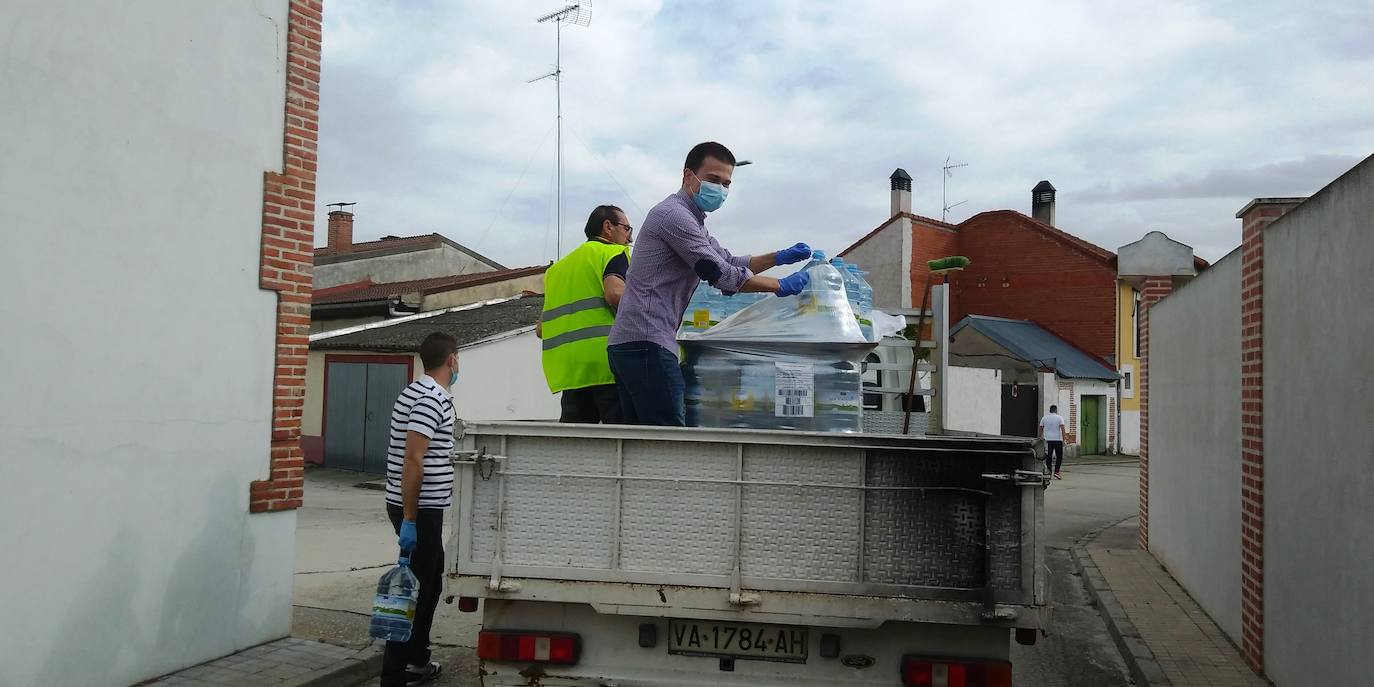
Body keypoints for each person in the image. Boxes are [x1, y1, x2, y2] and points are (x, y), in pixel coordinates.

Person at [606, 141, 814, 426]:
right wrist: (780, 286)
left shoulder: (694, 221)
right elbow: (722, 275)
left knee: (640, 442)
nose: (721, 189)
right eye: (713, 180)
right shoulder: (674, 216)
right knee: (667, 440)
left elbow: (730, 261)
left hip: (637, 342)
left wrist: (780, 257)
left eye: (727, 183)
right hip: (646, 342)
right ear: (688, 176)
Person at [380, 332, 459, 686]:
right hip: (419, 510)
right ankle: (395, 675)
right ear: (452, 360)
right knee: (411, 593)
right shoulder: (431, 399)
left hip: (418, 509)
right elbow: (414, 459)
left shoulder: (413, 390)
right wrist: (410, 520)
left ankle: (416, 659)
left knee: (430, 584)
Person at [538, 205, 633, 423]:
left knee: (576, 446)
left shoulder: (556, 271)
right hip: (606, 365)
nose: (629, 237)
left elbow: (541, 329)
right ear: (608, 227)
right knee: (622, 443)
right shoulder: (613, 252)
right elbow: (616, 294)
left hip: (570, 372)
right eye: (627, 228)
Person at [1039, 404, 1067, 479]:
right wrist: (1064, 439)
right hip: (1058, 440)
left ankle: (1049, 471)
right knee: (1059, 456)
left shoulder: (1044, 418)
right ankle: (1057, 472)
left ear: (1050, 410)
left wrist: (1040, 437)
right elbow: (1062, 429)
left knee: (1049, 456)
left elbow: (1041, 428)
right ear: (1056, 410)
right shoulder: (1059, 418)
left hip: (1048, 440)